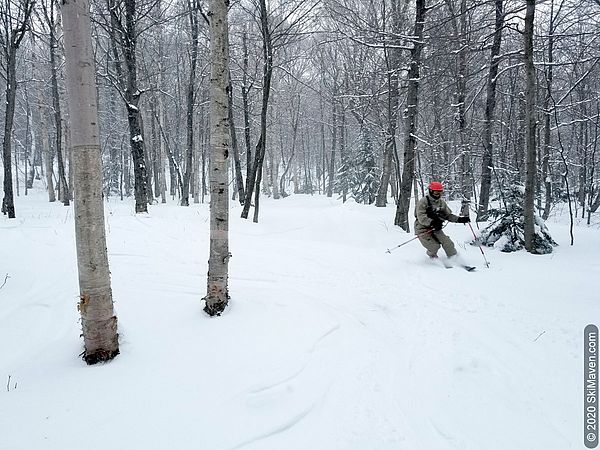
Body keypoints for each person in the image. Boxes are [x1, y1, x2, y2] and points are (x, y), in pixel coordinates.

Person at [414, 181, 470, 259]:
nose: (438, 195)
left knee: (448, 243)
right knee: (434, 247)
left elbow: (447, 215)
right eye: (436, 192)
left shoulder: (441, 203)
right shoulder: (423, 202)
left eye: (440, 192)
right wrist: (432, 222)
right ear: (431, 191)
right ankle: (432, 257)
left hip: (436, 227)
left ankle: (454, 259)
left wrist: (459, 219)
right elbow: (421, 217)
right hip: (422, 228)